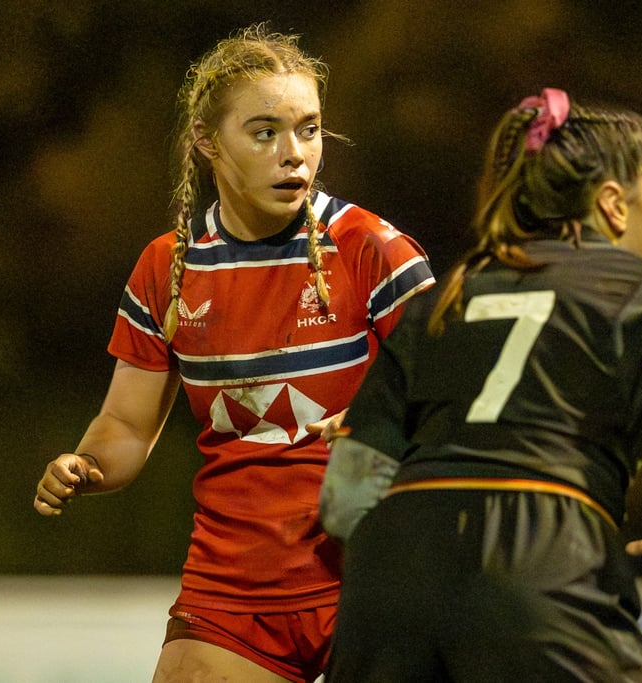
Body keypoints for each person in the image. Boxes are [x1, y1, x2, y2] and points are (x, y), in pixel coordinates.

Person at [32, 24, 434, 683]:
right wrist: (86, 464)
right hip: (234, 597)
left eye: (308, 129)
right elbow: (128, 426)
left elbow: (452, 401)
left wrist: (383, 427)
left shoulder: (375, 251)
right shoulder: (169, 270)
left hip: (379, 579)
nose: (294, 154)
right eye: (265, 131)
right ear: (206, 139)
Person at [319, 88, 642, 682]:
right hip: (544, 566)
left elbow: (343, 501)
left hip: (386, 594)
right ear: (615, 204)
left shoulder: (442, 300)